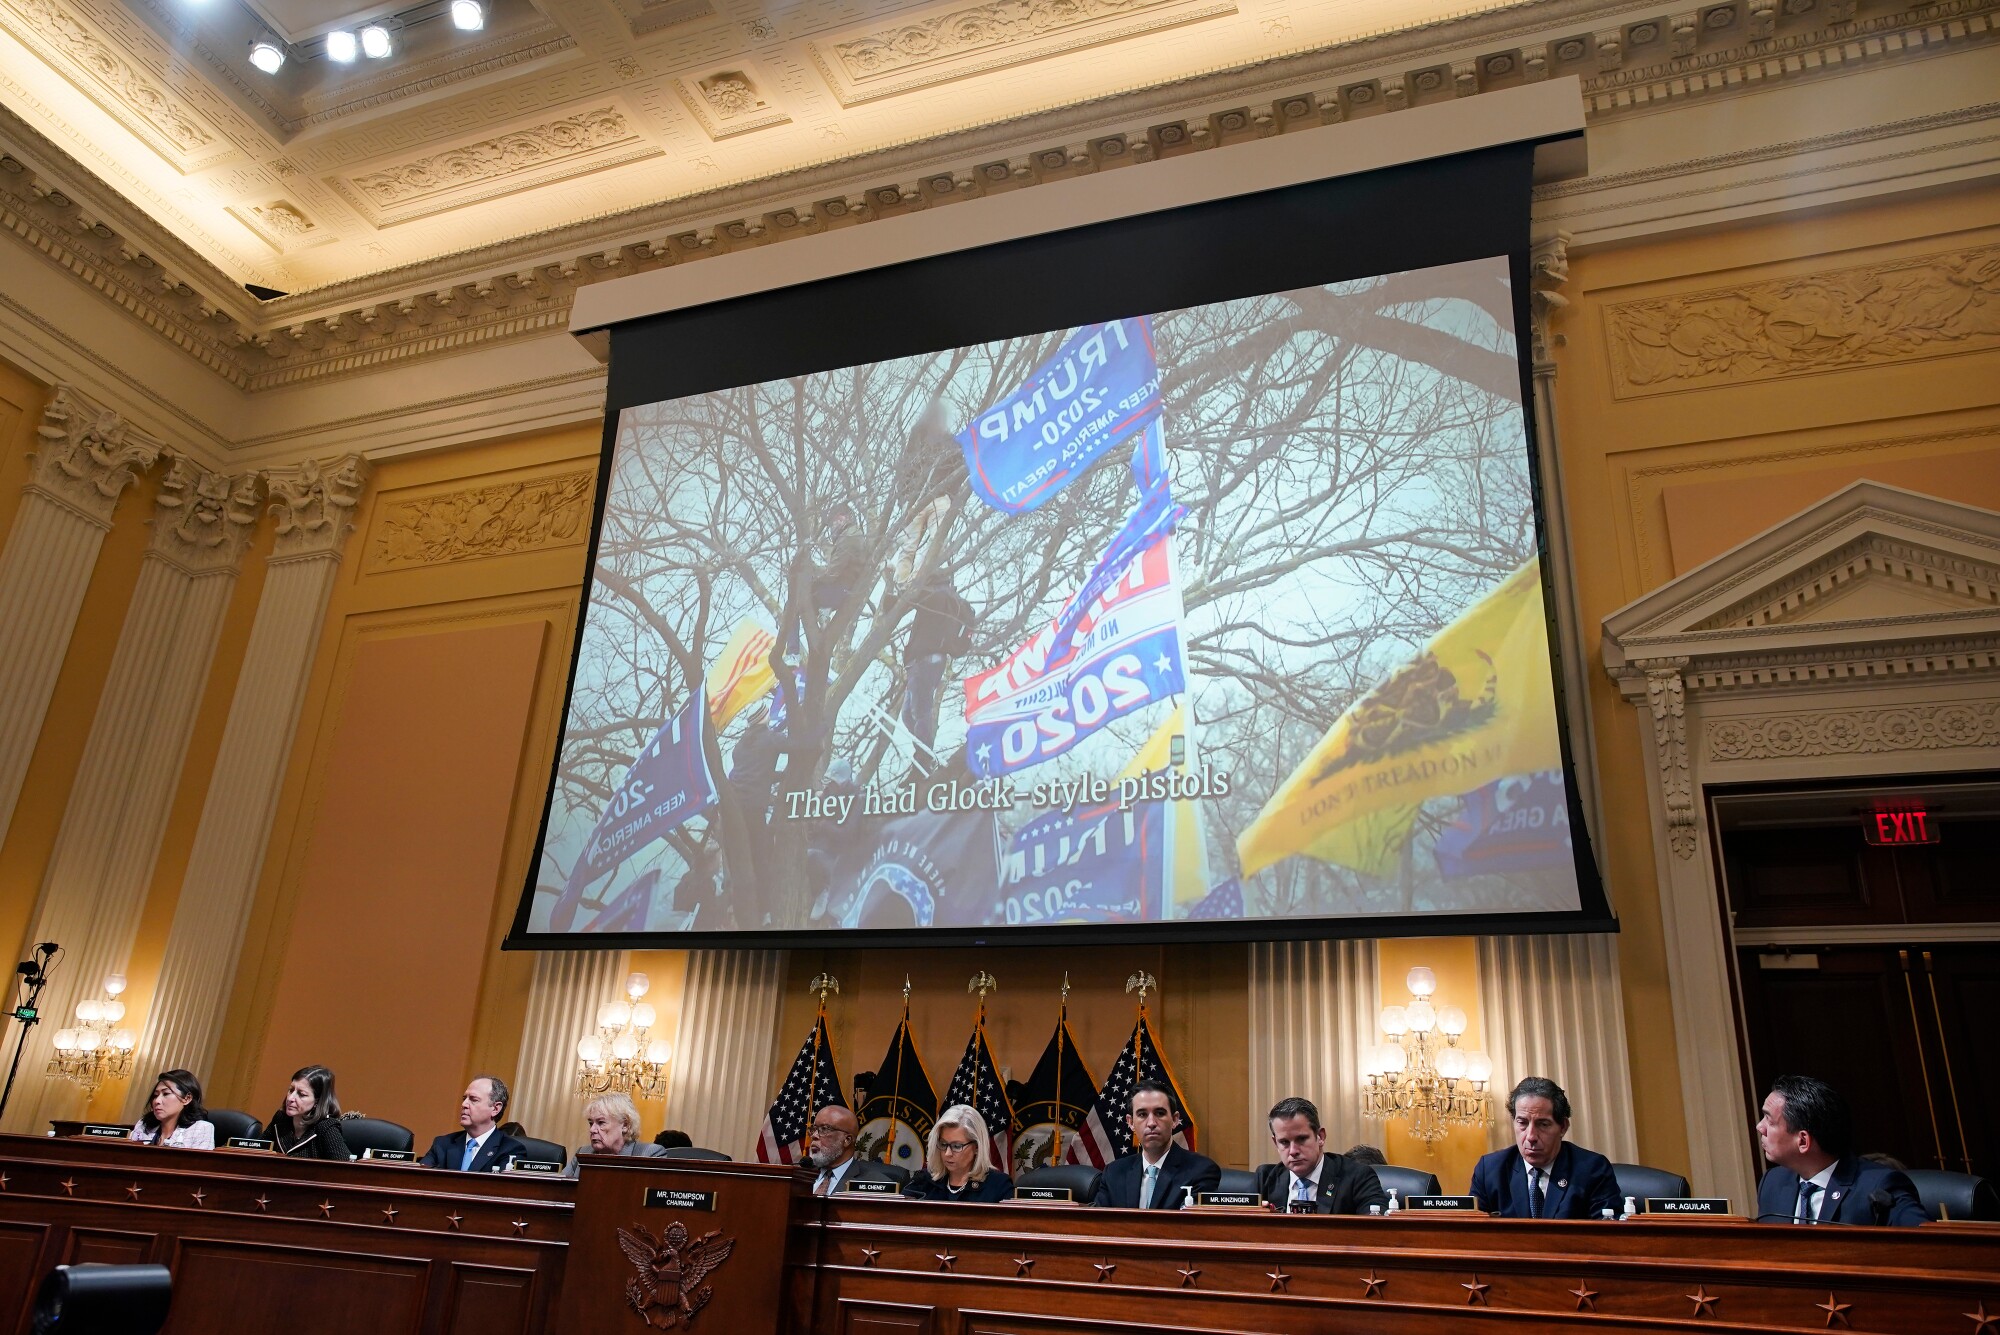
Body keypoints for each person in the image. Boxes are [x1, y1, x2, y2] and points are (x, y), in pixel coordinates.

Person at [1753, 1074, 1925, 1226]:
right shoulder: (1773, 1182)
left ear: (1803, 1140)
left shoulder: (1880, 1186)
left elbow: (1928, 1246)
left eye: (1770, 1120)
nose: (1760, 1127)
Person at [1469, 1076, 1621, 1219]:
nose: (1531, 1136)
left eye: (1543, 1124)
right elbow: (1471, 1235)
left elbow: (1608, 1237)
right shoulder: (1489, 1170)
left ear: (1563, 1127)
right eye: (1522, 1123)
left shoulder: (1592, 1170)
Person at [1090, 1081, 1220, 1210]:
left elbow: (1196, 1227)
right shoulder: (1114, 1173)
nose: (1151, 1123)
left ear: (1175, 1120)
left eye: (1159, 1113)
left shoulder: (1200, 1170)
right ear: (1130, 1123)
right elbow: (1099, 1224)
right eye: (1142, 1114)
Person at [1256, 1097, 1387, 1214]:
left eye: (1301, 1139)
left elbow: (1377, 1231)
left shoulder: (1357, 1177)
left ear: (1320, 1137)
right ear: (1275, 1142)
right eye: (1284, 1142)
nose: (1293, 1151)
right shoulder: (1265, 1179)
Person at [899, 573, 973, 751]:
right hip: (931, 662)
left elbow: (910, 597)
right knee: (908, 714)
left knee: (920, 713)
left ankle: (924, 757)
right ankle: (923, 751)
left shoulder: (937, 595)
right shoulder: (950, 599)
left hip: (925, 661)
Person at [902, 1105, 1014, 1202]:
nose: (947, 1153)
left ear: (977, 1147)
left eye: (957, 1146)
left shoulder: (999, 1186)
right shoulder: (923, 1182)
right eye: (943, 1144)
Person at [419, 1075, 526, 1172]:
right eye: (464, 1098)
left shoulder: (511, 1150)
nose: (464, 1104)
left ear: (495, 1108)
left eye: (473, 1099)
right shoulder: (443, 1144)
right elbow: (420, 1179)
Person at [563, 1092, 669, 1177]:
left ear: (625, 1125)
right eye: (591, 1123)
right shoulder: (583, 1153)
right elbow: (557, 1188)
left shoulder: (649, 1154)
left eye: (601, 1123)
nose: (592, 1129)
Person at [807, 1104, 901, 1196]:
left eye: (824, 1129)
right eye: (813, 1129)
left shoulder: (877, 1183)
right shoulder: (799, 1176)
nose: (814, 1135)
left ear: (847, 1140)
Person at [268, 1064, 350, 1160]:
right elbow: (257, 1150)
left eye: (301, 1094)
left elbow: (346, 1169)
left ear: (317, 1101)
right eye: (291, 1090)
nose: (290, 1098)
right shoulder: (281, 1118)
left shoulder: (326, 1127)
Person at [129, 1069, 214, 1150]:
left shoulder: (201, 1129)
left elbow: (199, 1164)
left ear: (187, 1099)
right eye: (155, 1095)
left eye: (166, 1094)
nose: (157, 1101)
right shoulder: (143, 1125)